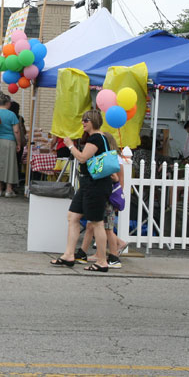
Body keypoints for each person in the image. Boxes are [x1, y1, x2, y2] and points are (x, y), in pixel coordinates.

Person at [50, 109, 111, 272]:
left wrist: (70, 145)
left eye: (86, 120)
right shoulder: (100, 138)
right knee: (73, 216)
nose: (83, 122)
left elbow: (83, 158)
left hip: (95, 185)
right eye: (83, 119)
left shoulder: (96, 138)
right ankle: (69, 254)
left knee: (97, 222)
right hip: (88, 184)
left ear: (93, 122)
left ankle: (102, 261)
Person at [75, 132, 128, 269]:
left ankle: (113, 255)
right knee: (94, 225)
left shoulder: (112, 159)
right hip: (106, 195)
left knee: (105, 227)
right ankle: (89, 253)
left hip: (106, 196)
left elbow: (117, 178)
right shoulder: (113, 157)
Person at [0, 94, 21, 198]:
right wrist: (19, 143)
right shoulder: (12, 115)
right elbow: (16, 131)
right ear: (8, 103)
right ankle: (8, 189)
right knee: (10, 164)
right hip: (9, 141)